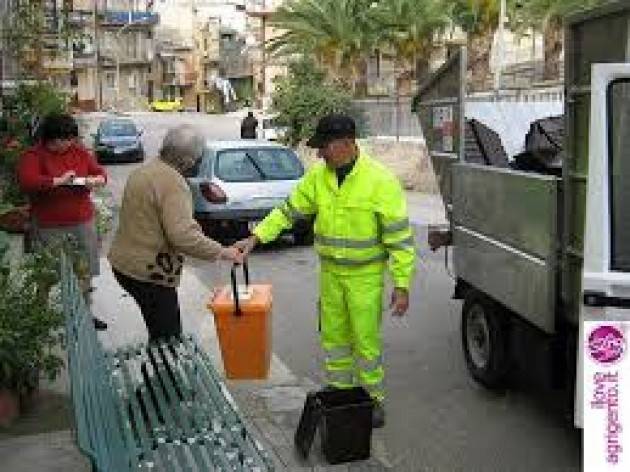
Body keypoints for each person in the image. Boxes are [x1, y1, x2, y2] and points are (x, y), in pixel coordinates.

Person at [235, 114, 416, 428]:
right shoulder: (318, 178)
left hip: (365, 277)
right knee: (333, 339)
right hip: (330, 274)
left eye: (324, 147)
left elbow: (400, 239)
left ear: (347, 144)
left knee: (365, 341)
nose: (319, 154)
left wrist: (402, 285)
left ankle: (373, 400)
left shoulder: (380, 181)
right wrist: (256, 237)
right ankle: (341, 392)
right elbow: (288, 211)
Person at [108, 125, 243, 343]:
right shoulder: (173, 183)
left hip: (125, 264)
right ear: (188, 161)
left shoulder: (145, 170)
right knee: (168, 339)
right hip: (149, 273)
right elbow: (182, 236)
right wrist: (223, 251)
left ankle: (156, 369)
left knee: (159, 331)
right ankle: (161, 375)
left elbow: (156, 220)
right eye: (198, 158)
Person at [17, 113, 109, 330]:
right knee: (46, 274)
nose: (69, 143)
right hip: (49, 226)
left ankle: (84, 316)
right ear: (51, 138)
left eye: (72, 139)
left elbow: (100, 173)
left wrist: (94, 180)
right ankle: (39, 318)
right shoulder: (34, 155)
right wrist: (58, 181)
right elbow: (28, 181)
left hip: (82, 222)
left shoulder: (79, 152)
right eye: (65, 139)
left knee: (84, 272)